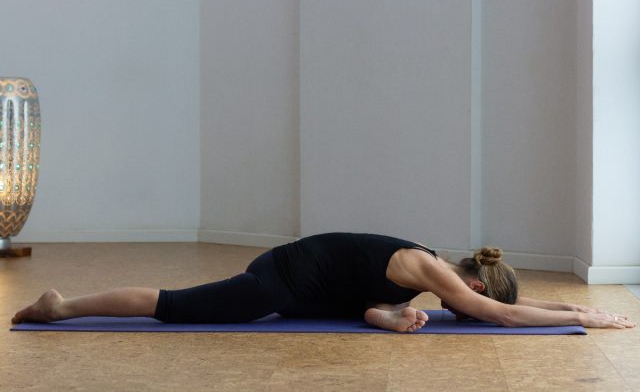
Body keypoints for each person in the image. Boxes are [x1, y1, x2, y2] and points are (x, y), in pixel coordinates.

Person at [11, 233, 635, 331]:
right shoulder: (431, 270)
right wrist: (583, 318)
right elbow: (500, 316)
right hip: (278, 283)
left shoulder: (425, 275)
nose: (461, 308)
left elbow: (363, 305)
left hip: (304, 283)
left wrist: (389, 317)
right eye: (468, 300)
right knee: (173, 307)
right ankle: (60, 306)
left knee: (387, 312)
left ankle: (61, 305)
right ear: (474, 281)